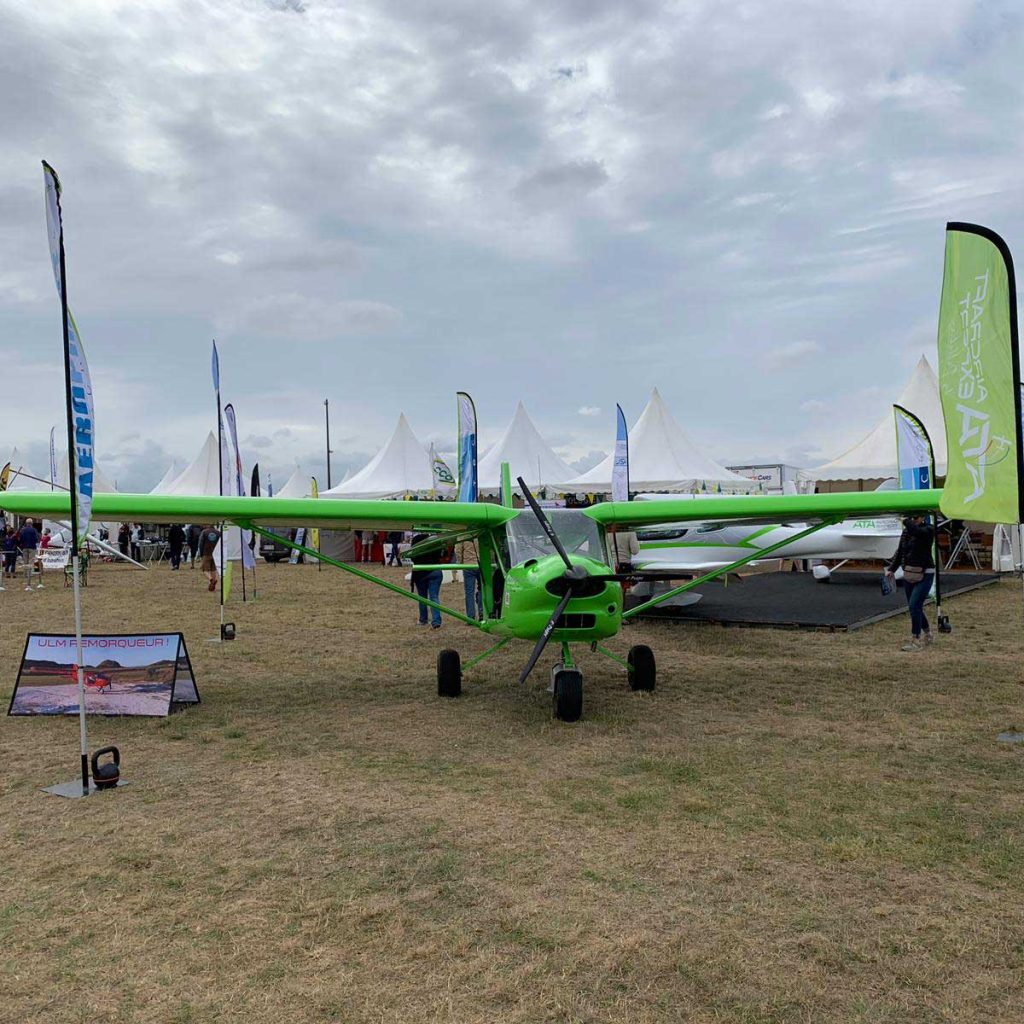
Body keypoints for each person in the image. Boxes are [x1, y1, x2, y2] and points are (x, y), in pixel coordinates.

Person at [886, 514, 935, 651]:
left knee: (914, 605)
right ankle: (928, 633)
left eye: (915, 517)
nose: (912, 520)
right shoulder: (907, 531)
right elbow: (901, 551)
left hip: (925, 573)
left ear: (922, 517)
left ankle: (916, 639)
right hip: (909, 571)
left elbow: (917, 531)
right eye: (910, 518)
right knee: (915, 606)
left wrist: (906, 521)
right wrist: (891, 569)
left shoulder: (929, 529)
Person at [410, 531, 444, 629]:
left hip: (420, 572)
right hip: (435, 570)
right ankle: (436, 620)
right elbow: (442, 554)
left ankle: (423, 619)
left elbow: (412, 556)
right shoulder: (436, 540)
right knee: (434, 597)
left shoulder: (416, 539)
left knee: (422, 598)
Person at [457, 537, 483, 620]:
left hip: (468, 565)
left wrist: (460, 563)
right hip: (481, 564)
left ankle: (471, 616)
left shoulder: (462, 535)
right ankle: (482, 613)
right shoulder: (480, 533)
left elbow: (458, 551)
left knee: (469, 592)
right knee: (482, 590)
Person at [19, 518, 40, 591]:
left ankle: (25, 574)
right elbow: (36, 539)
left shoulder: (23, 530)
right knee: (31, 561)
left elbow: (21, 539)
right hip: (32, 547)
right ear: (31, 523)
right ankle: (30, 573)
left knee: (25, 561)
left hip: (24, 547)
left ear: (26, 523)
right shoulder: (34, 530)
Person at [199, 524, 221, 592]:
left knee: (204, 570)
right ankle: (213, 586)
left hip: (206, 553)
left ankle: (211, 580)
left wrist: (201, 553)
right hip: (215, 554)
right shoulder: (218, 533)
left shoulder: (204, 532)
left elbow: (200, 543)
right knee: (213, 569)